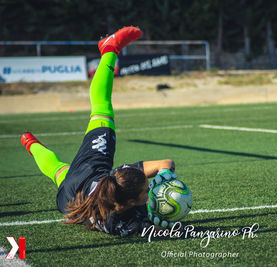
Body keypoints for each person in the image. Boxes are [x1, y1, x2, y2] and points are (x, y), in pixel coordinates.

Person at [20, 26, 176, 236]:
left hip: (90, 171)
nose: (149, 192)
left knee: (102, 108)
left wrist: (164, 219)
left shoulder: (118, 202)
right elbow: (167, 164)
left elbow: (164, 231)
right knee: (59, 173)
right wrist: (165, 179)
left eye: (146, 191)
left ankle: (110, 50)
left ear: (129, 200)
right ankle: (30, 144)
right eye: (147, 191)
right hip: (68, 201)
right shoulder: (123, 208)